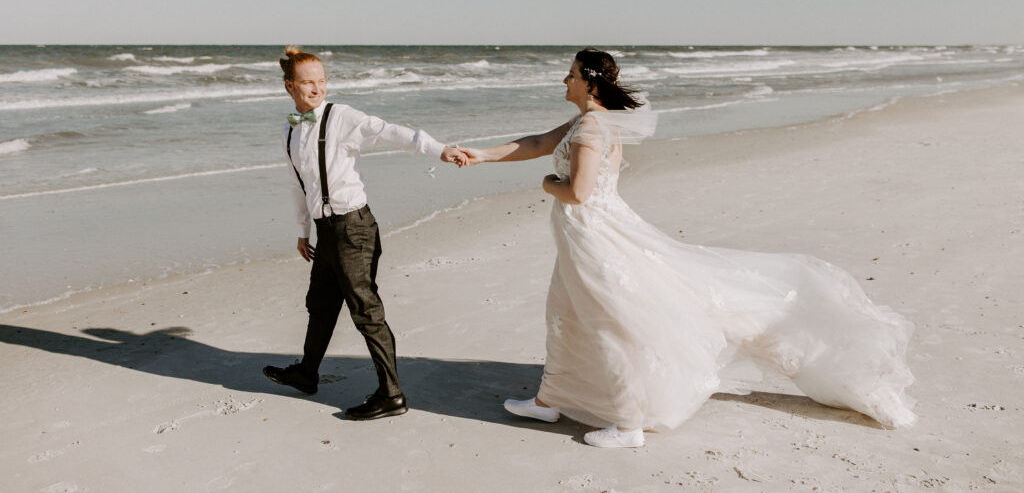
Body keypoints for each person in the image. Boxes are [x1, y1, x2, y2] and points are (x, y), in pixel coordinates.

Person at [458, 48, 916, 448]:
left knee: (607, 322)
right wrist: (478, 155)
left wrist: (546, 183)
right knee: (565, 311)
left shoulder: (592, 129)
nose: (565, 80)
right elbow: (538, 142)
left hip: (595, 234)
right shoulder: (587, 122)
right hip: (584, 233)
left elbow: (576, 192)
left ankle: (628, 424)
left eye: (571, 73)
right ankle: (549, 400)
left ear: (589, 81)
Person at [263, 46, 467, 420]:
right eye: (308, 83)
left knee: (365, 310)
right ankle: (307, 374)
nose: (317, 89)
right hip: (325, 230)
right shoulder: (290, 130)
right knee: (319, 304)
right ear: (289, 86)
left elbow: (388, 131)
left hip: (353, 227)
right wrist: (301, 230)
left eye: (322, 81)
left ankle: (391, 394)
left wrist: (438, 149)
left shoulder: (340, 117)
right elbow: (298, 184)